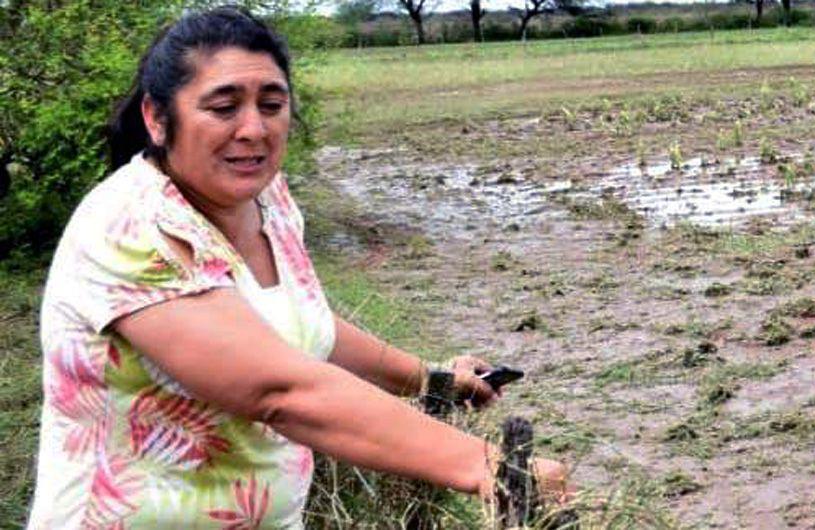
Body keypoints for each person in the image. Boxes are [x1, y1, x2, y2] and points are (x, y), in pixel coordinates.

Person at [28, 7, 567, 529]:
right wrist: (491, 468)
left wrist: (432, 379)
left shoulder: (268, 200)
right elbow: (281, 391)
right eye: (223, 107)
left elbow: (306, 328)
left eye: (271, 104)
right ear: (157, 117)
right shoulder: (132, 230)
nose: (253, 130)